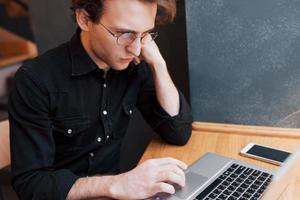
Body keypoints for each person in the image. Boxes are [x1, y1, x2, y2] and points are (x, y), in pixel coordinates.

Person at [8, 0, 193, 199]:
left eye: (145, 34)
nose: (136, 49)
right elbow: (31, 184)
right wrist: (117, 184)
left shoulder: (134, 64)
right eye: (125, 34)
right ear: (85, 19)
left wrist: (158, 64)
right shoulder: (35, 80)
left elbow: (177, 132)